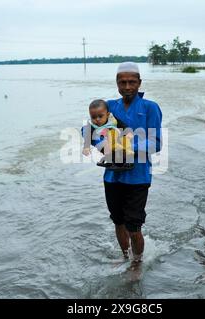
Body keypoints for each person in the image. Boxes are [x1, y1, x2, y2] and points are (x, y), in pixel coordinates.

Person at [87, 62, 162, 264]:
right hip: (112, 175)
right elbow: (90, 128)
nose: (127, 86)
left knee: (134, 226)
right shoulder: (110, 106)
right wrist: (101, 144)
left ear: (139, 83)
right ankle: (125, 256)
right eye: (123, 82)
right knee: (118, 221)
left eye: (131, 82)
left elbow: (156, 143)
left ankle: (137, 264)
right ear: (117, 83)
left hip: (138, 176)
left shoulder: (150, 107)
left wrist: (125, 146)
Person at [82, 99, 134, 171]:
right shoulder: (91, 125)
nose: (97, 119)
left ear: (108, 114)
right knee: (107, 145)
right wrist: (86, 147)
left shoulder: (112, 120)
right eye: (93, 117)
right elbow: (87, 136)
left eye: (100, 116)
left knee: (125, 141)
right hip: (106, 141)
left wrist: (128, 132)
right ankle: (110, 162)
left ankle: (129, 161)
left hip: (118, 137)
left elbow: (122, 125)